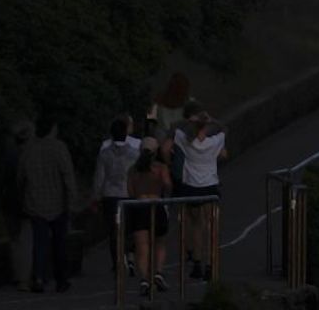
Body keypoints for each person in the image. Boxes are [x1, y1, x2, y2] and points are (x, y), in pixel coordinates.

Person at [16, 114, 78, 293]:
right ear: (53, 129)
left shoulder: (28, 150)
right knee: (59, 244)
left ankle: (38, 277)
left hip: (35, 203)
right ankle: (61, 279)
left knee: (39, 244)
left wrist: (22, 196)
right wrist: (71, 200)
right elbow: (67, 175)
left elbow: (20, 177)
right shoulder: (59, 148)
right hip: (58, 203)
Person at [174, 114, 226, 279]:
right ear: (206, 128)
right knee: (210, 226)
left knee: (197, 226)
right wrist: (213, 120)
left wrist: (189, 121)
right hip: (210, 185)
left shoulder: (186, 142)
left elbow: (174, 128)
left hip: (192, 186)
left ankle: (197, 263)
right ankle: (210, 264)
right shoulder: (214, 142)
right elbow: (225, 129)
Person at [92, 118, 139, 276]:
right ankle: (130, 258)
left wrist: (96, 197)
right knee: (129, 229)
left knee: (113, 230)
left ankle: (117, 262)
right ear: (126, 133)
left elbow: (99, 177)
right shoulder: (134, 154)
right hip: (129, 194)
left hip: (110, 195)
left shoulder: (105, 154)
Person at [126, 137, 172, 296]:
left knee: (141, 247)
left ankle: (144, 279)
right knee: (160, 243)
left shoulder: (133, 170)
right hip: (156, 205)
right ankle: (158, 272)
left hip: (139, 207)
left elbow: (130, 192)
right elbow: (167, 185)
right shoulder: (160, 168)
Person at [2, 120, 35, 292]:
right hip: (26, 202)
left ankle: (17, 274)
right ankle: (24, 278)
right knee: (26, 241)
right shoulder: (30, 156)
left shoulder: (9, 155)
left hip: (9, 201)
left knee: (14, 240)